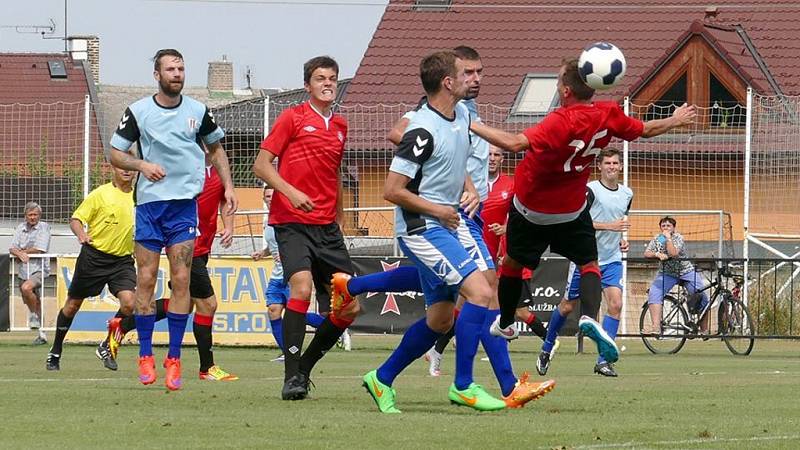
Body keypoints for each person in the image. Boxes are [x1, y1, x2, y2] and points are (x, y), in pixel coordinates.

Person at [469, 56, 696, 377]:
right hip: (571, 210)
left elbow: (515, 143)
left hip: (531, 210)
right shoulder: (608, 114)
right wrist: (674, 120)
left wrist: (471, 123)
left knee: (511, 266)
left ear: (564, 90)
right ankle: (590, 316)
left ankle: (506, 323)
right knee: (590, 262)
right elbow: (644, 130)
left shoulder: (559, 121)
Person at [361, 50, 508, 414]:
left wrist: (468, 187)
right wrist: (439, 208)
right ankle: (464, 385)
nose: (475, 78)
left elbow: (449, 167)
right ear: (448, 81)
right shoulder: (421, 131)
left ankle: (382, 378)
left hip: (446, 222)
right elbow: (392, 190)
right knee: (480, 290)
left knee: (440, 320)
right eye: (466, 73)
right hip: (421, 228)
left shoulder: (460, 116)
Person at [108, 48, 237, 391]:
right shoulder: (138, 111)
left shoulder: (198, 111)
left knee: (182, 278)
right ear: (157, 74)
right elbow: (116, 152)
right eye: (170, 69)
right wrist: (142, 165)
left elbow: (217, 149)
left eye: (181, 68)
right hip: (150, 207)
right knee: (146, 280)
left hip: (183, 207)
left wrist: (228, 187)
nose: (177, 73)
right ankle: (146, 354)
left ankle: (175, 358)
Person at [253, 55, 359, 401]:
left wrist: (342, 217)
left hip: (327, 227)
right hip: (291, 223)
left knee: (349, 307)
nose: (327, 83)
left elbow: (334, 175)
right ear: (307, 85)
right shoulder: (292, 117)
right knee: (300, 289)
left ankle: (305, 367)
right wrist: (291, 191)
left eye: (332, 78)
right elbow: (261, 165)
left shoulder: (340, 126)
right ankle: (290, 377)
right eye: (320, 78)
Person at [45, 166, 136, 371]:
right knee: (72, 305)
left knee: (130, 304)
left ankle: (106, 345)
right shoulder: (100, 194)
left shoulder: (140, 198)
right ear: (114, 168)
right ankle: (55, 350)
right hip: (94, 257)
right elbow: (76, 219)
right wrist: (81, 235)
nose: (127, 171)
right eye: (123, 166)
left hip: (122, 261)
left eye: (132, 167)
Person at [563, 147, 632, 377]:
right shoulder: (589, 190)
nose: (612, 167)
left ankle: (604, 361)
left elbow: (620, 221)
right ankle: (547, 344)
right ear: (600, 166)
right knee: (567, 307)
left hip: (611, 259)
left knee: (616, 305)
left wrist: (621, 239)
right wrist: (609, 226)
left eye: (615, 163)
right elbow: (577, 224)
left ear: (620, 166)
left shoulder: (627, 194)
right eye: (608, 163)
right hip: (587, 258)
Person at [250, 185, 329, 362]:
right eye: (267, 196)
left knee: (296, 315)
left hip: (290, 276)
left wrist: (289, 255)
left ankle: (334, 328)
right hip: (276, 276)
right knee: (273, 311)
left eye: (273, 196)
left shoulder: (287, 217)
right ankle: (287, 352)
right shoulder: (268, 221)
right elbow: (274, 247)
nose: (270, 199)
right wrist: (263, 253)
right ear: (264, 199)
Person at [644, 216, 709, 334]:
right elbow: (647, 253)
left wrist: (668, 239)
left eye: (668, 226)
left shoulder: (678, 238)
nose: (666, 228)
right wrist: (657, 254)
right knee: (654, 293)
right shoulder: (657, 239)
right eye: (663, 226)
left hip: (686, 271)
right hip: (667, 273)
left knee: (701, 295)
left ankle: (704, 330)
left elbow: (673, 253)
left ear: (674, 227)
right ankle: (656, 327)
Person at [10, 201, 51, 345]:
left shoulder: (44, 227)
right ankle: (42, 334)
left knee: (26, 288)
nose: (32, 217)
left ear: (39, 215)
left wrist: (22, 252)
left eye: (35, 214)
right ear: (25, 216)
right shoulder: (20, 228)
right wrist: (19, 254)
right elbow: (12, 248)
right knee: (34, 301)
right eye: (30, 215)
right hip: (23, 270)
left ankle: (33, 316)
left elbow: (40, 248)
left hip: (39, 269)